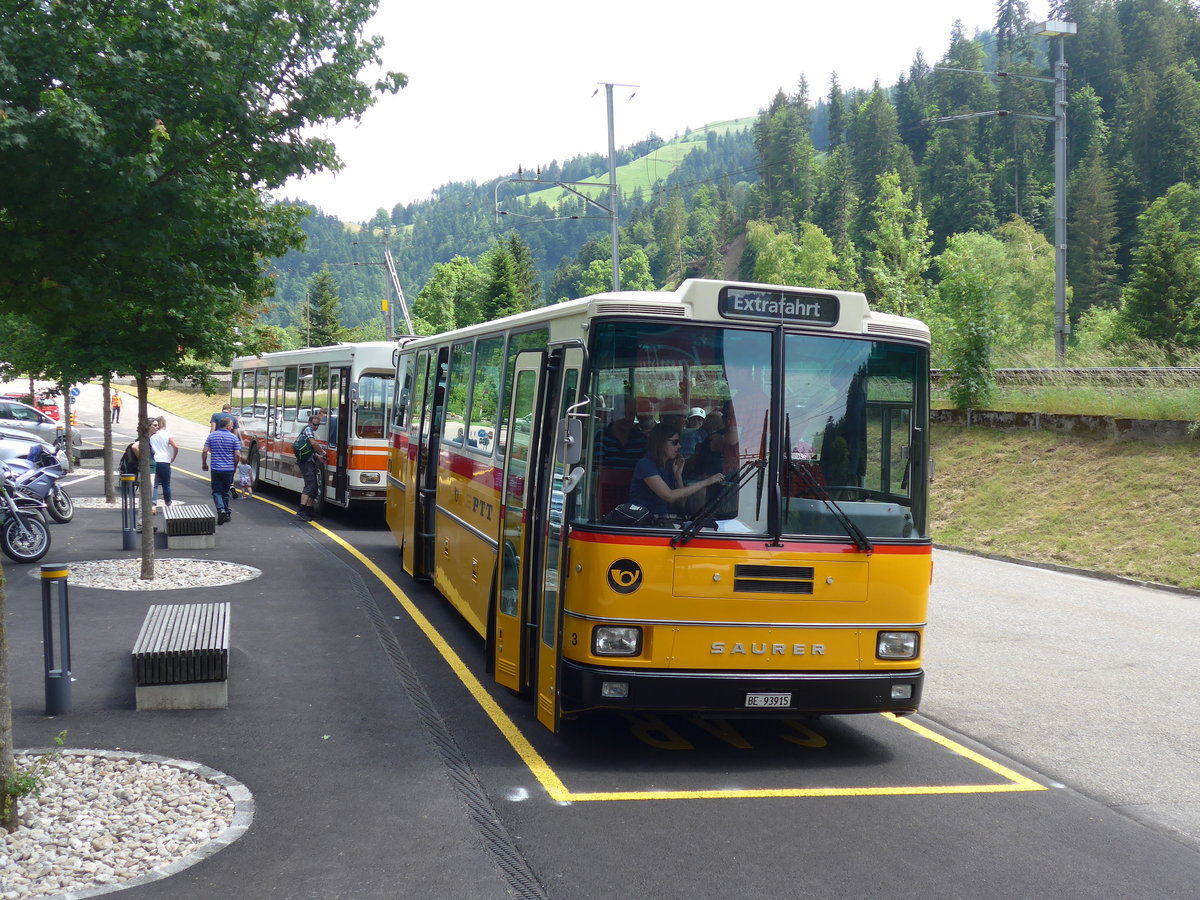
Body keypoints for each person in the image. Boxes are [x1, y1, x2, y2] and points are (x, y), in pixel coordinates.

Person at [628, 423, 724, 519]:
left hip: (661, 520)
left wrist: (678, 476)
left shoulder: (668, 466)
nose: (679, 446)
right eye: (675, 442)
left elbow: (681, 503)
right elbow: (669, 496)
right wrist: (706, 482)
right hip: (643, 522)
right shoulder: (645, 464)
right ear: (661, 442)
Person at [201, 417, 241, 524]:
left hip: (216, 468)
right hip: (228, 469)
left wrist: (204, 463)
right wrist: (235, 465)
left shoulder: (212, 436)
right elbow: (237, 455)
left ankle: (220, 509)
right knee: (225, 491)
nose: (232, 427)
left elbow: (205, 451)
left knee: (216, 491)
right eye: (232, 426)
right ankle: (227, 513)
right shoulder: (233, 438)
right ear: (228, 426)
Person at [296, 411, 322, 521]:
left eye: (317, 425)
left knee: (314, 487)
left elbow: (309, 449)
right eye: (314, 424)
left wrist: (317, 456)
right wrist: (322, 452)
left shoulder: (309, 430)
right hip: (305, 462)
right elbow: (313, 443)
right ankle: (301, 511)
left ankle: (309, 509)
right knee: (310, 485)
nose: (316, 427)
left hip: (309, 460)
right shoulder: (308, 429)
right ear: (309, 422)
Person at [149, 416, 179, 507]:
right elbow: (176, 446)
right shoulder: (167, 434)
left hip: (154, 460)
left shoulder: (152, 434)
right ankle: (168, 502)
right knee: (166, 484)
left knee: (154, 484)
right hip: (165, 460)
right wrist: (173, 457)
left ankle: (153, 502)